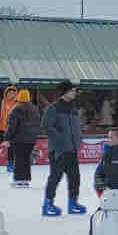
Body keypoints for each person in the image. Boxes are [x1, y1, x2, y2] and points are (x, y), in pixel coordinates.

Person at [42, 82, 85, 217]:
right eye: (72, 90)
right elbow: (46, 127)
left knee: (75, 178)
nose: (74, 93)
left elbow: (76, 127)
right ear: (64, 92)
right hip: (59, 150)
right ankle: (48, 204)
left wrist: (78, 141)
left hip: (72, 150)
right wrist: (60, 140)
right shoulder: (53, 108)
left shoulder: (73, 108)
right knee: (55, 177)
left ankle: (73, 203)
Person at [8, 89, 40, 188]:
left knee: (18, 159)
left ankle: (18, 180)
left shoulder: (16, 108)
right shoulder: (34, 109)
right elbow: (37, 124)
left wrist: (7, 137)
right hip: (31, 139)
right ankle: (25, 180)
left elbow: (12, 125)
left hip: (19, 139)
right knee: (26, 159)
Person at [1, 86, 16, 172]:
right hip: (1, 128)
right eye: (10, 93)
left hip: (11, 129)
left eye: (13, 93)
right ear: (6, 94)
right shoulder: (3, 102)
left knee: (11, 148)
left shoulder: (17, 103)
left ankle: (10, 165)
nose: (11, 94)